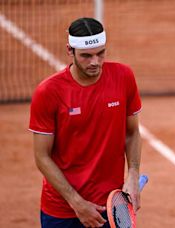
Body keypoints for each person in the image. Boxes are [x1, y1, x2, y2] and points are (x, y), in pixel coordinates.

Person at [29, 17, 143, 228]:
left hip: (110, 206)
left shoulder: (124, 77)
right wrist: (77, 203)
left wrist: (133, 174)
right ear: (69, 51)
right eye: (86, 56)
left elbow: (132, 132)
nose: (95, 62)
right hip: (62, 211)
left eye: (101, 54)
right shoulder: (48, 93)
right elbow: (42, 157)